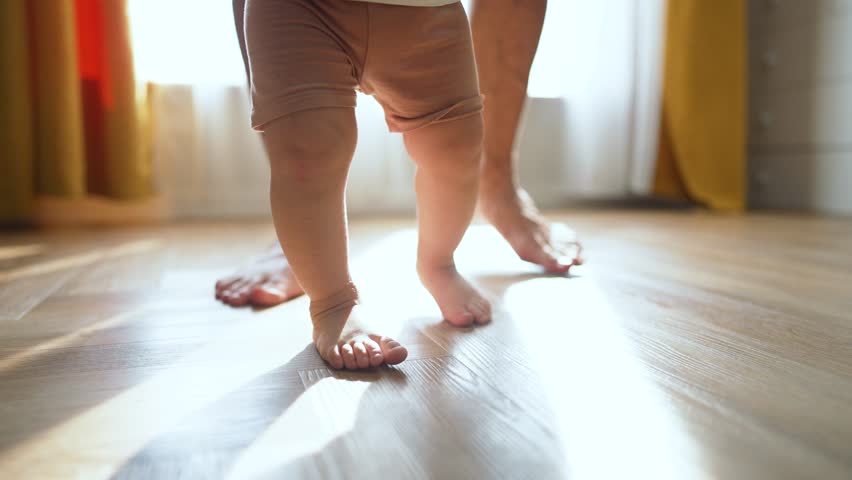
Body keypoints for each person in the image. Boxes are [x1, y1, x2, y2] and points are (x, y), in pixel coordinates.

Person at [219, 0, 582, 369]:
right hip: (300, 9)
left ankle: (439, 263)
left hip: (428, 11)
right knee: (305, 156)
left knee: (456, 149)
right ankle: (333, 301)